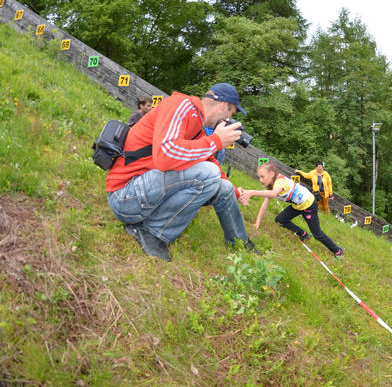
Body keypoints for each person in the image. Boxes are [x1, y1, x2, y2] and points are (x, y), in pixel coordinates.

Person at [106, 83, 259, 261]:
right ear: (223, 106)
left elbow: (211, 162)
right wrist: (216, 141)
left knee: (222, 185)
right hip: (124, 197)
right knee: (208, 174)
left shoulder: (197, 128)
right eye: (231, 115)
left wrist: (237, 192)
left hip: (145, 195)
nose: (229, 120)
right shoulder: (180, 105)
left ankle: (239, 243)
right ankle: (151, 232)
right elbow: (165, 154)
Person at [241, 163, 344, 257]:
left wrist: (252, 192)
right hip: (297, 206)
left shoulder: (280, 182)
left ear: (272, 174)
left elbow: (273, 194)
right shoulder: (271, 185)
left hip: (309, 205)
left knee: (317, 234)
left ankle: (338, 251)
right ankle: (302, 234)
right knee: (280, 220)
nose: (260, 180)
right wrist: (257, 222)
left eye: (262, 177)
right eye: (259, 177)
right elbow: (265, 203)